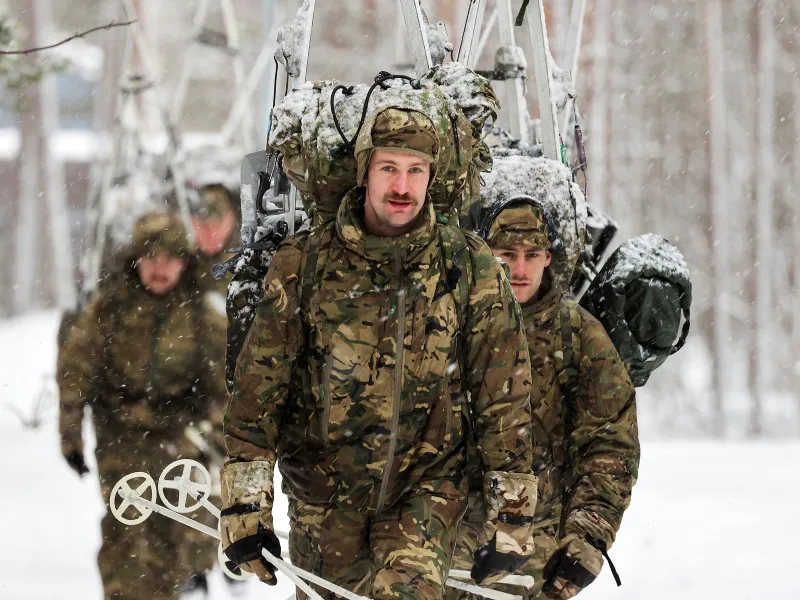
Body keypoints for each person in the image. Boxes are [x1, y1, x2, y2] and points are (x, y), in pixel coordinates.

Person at [220, 107, 539, 600]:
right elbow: (259, 389)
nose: (402, 186)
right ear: (365, 170)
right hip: (322, 497)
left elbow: (503, 394)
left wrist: (513, 514)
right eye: (389, 168)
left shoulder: (467, 264)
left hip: (427, 491)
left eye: (416, 170)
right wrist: (245, 507)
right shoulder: (304, 263)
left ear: (432, 177)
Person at [448, 197, 640, 600]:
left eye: (531, 255)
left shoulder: (579, 337)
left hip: (534, 561)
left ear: (548, 258)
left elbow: (610, 446)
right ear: (486, 254)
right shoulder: (451, 322)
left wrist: (588, 537)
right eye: (507, 254)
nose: (519, 269)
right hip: (443, 550)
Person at [58, 211, 226, 600]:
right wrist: (70, 435)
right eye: (151, 258)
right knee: (126, 524)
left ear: (185, 262)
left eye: (170, 259)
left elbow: (223, 387)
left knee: (175, 531)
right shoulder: (110, 308)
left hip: (180, 436)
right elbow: (75, 371)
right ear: (136, 261)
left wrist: (220, 440)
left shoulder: (201, 314)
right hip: (121, 432)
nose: (160, 268)